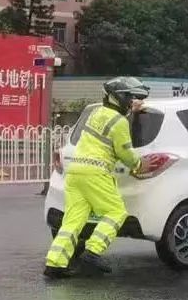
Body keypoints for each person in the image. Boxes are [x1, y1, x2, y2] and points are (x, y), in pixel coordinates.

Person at [44, 77, 150, 279]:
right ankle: (93, 251)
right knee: (116, 212)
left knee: (72, 221)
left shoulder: (96, 112)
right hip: (95, 172)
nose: (131, 102)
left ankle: (54, 264)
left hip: (75, 172)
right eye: (129, 98)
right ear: (120, 98)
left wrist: (131, 111)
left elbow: (111, 123)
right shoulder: (119, 122)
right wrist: (138, 165)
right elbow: (125, 152)